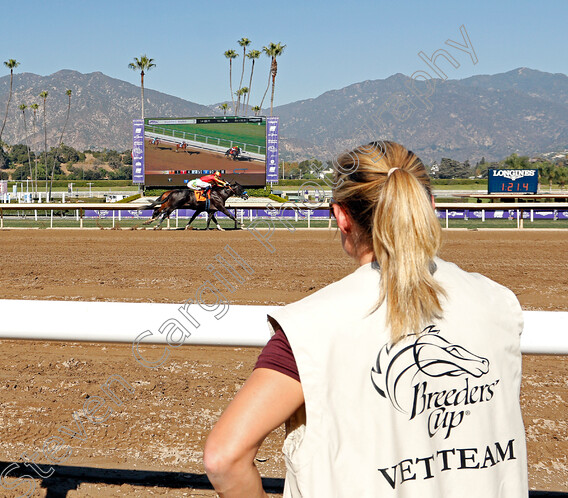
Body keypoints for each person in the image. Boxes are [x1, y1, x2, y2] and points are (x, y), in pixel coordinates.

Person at [203, 141, 527, 497]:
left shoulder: (308, 326)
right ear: (429, 206)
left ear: (341, 217)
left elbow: (224, 458)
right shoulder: (500, 302)